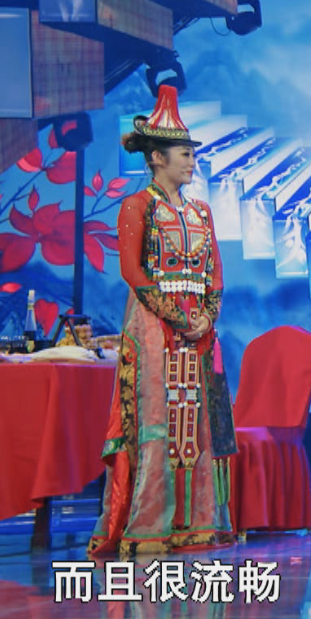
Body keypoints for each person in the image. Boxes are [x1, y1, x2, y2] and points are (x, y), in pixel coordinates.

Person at [90, 85, 236, 557]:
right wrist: (176, 316)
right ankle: (150, 524)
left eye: (193, 154)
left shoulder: (201, 211)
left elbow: (214, 272)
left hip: (198, 330)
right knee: (158, 422)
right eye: (185, 154)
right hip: (154, 327)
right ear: (157, 158)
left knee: (197, 423)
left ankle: (197, 522)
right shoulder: (139, 206)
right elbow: (132, 271)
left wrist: (205, 317)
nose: (192, 161)